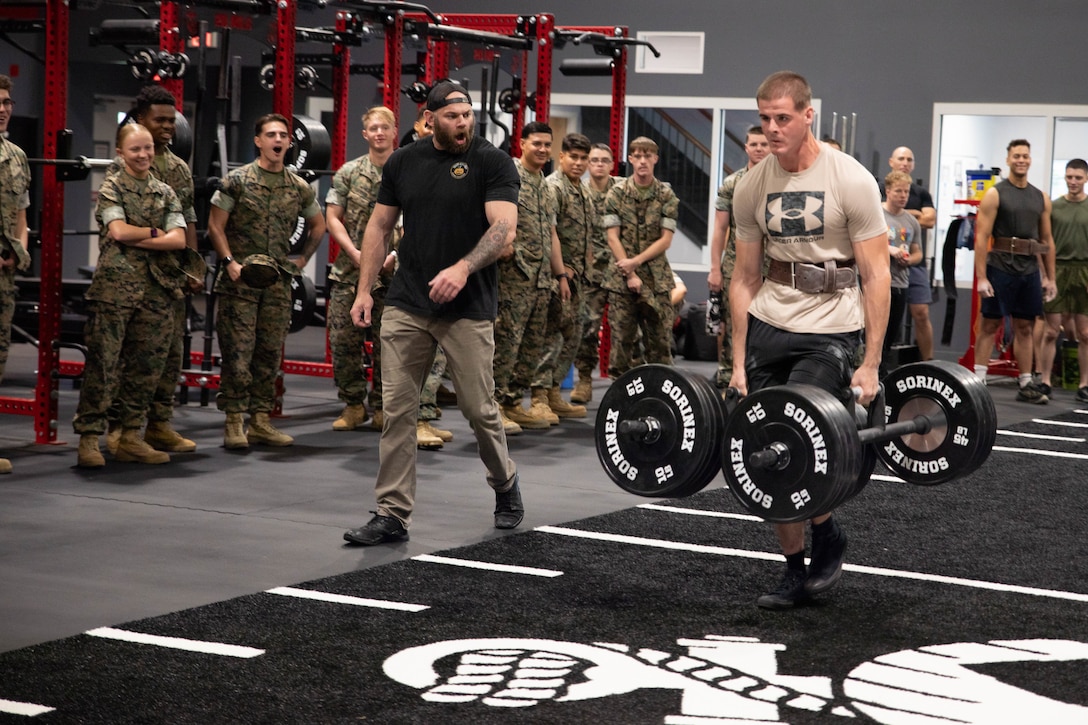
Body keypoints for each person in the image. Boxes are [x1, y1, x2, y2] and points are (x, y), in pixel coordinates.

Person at [730, 71, 890, 609]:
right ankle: (798, 564)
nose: (771, 130)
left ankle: (824, 537)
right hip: (772, 322)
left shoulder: (851, 179)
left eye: (781, 118)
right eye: (764, 120)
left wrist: (870, 363)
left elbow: (876, 276)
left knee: (800, 441)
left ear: (806, 115)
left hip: (832, 328)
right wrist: (736, 361)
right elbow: (745, 277)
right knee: (764, 452)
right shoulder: (752, 184)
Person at [343, 80, 523, 546]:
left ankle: (505, 484)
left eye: (467, 115)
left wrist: (463, 268)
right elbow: (379, 227)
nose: (463, 123)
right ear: (429, 119)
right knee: (398, 410)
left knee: (478, 409)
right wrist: (365, 291)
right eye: (452, 116)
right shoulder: (404, 161)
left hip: (467, 306)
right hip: (407, 302)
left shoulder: (492, 161)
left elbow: (503, 227)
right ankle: (392, 513)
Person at [207, 113, 326, 448]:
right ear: (258, 141)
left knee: (269, 353)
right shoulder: (238, 181)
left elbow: (319, 226)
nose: (278, 140)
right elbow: (215, 226)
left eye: (283, 135)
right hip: (240, 282)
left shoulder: (298, 186)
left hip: (276, 284)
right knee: (238, 353)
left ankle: (259, 420)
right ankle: (233, 422)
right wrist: (229, 262)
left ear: (289, 143)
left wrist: (301, 261)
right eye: (271, 134)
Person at [73, 124, 189, 467]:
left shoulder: (165, 191)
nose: (143, 155)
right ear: (121, 153)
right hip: (115, 291)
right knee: (104, 366)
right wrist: (156, 232)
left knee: (147, 367)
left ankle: (129, 437)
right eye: (136, 149)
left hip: (156, 290)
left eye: (148, 148)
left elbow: (179, 239)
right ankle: (90, 439)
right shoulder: (112, 188)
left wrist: (143, 237)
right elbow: (118, 231)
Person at [105, 85, 201, 457]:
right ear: (140, 120)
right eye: (159, 120)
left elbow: (189, 219)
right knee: (125, 355)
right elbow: (119, 227)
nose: (167, 127)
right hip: (127, 276)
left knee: (168, 354)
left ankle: (159, 424)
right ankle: (119, 429)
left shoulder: (178, 167)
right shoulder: (123, 164)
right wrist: (160, 237)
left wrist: (192, 266)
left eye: (171, 121)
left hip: (169, 277)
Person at [493, 121, 569, 432]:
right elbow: (490, 213)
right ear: (522, 143)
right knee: (507, 344)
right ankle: (493, 406)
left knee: (531, 346)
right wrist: (502, 244)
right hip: (514, 278)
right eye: (536, 143)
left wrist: (560, 274)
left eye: (547, 145)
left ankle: (513, 402)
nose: (542, 149)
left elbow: (552, 233)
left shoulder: (546, 186)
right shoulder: (508, 176)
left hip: (541, 282)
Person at [325, 106, 395, 433]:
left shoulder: (407, 171)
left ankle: (383, 406)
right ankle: (354, 404)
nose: (379, 133)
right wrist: (353, 252)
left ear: (394, 132)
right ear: (365, 134)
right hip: (348, 273)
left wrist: (396, 253)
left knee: (390, 344)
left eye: (385, 127)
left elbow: (420, 220)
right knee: (342, 340)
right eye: (373, 128)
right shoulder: (349, 172)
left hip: (394, 274)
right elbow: (332, 218)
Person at [973, 138, 1055, 403]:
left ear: (1030, 160)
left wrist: (1050, 278)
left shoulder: (1040, 197)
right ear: (1008, 159)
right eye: (1016, 156)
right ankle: (978, 382)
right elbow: (981, 236)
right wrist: (982, 277)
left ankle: (1026, 383)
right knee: (990, 324)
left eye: (1025, 156)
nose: (1021, 160)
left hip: (1029, 270)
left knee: (1025, 327)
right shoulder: (996, 194)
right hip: (1000, 268)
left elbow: (1047, 240)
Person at [603, 136, 680, 378]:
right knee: (622, 345)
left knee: (660, 343)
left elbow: (665, 240)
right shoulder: (616, 194)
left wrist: (635, 262)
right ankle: (622, 396)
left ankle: (661, 391)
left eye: (648, 156)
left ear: (655, 159)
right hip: (622, 280)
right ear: (630, 159)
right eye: (638, 156)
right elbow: (613, 237)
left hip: (656, 280)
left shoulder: (666, 195)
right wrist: (630, 272)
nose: (643, 161)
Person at [708, 126, 769, 387]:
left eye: (763, 144)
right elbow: (720, 228)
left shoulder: (780, 181)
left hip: (773, 264)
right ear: (746, 147)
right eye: (754, 144)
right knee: (734, 321)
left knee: (769, 323)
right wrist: (715, 269)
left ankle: (762, 377)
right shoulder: (732, 184)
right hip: (737, 263)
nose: (758, 149)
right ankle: (728, 378)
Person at [543, 132, 594, 419]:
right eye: (573, 157)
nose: (578, 163)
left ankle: (553, 394)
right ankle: (540, 397)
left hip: (579, 279)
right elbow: (551, 234)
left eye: (583, 158)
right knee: (552, 338)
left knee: (571, 337)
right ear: (561, 156)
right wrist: (561, 272)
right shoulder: (554, 188)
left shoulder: (583, 189)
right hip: (558, 277)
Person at [1034, 158, 1088, 400]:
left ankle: (1084, 385)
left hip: (1084, 271)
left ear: (1085, 179)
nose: (1073, 182)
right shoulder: (1053, 207)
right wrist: (1045, 276)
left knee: (1085, 333)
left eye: (1078, 177)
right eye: (1069, 177)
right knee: (1051, 331)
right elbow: (1041, 244)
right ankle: (1044, 381)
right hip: (1058, 271)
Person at [570, 142, 620, 403]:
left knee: (623, 330)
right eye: (594, 160)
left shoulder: (621, 190)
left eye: (604, 160)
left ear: (612, 164)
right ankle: (585, 380)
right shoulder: (580, 192)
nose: (599, 164)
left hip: (619, 270)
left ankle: (620, 383)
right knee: (587, 328)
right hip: (590, 273)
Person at [0, 75, 31, 474]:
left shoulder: (17, 156)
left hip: (5, 277)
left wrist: (18, 251)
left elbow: (22, 213)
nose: (3, 108)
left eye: (7, 100)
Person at [886, 146, 937, 361]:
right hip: (884, 268)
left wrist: (908, 214)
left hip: (911, 266)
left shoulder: (921, 193)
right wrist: (915, 213)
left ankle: (929, 364)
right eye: (901, 158)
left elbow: (930, 220)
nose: (905, 162)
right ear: (892, 161)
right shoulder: (880, 190)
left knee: (921, 313)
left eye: (909, 159)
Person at [881, 170, 923, 376]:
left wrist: (909, 259)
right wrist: (889, 249)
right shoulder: (876, 214)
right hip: (878, 282)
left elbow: (918, 254)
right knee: (872, 332)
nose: (903, 195)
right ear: (888, 191)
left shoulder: (912, 222)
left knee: (891, 334)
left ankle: (882, 375)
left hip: (900, 283)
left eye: (906, 191)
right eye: (898, 191)